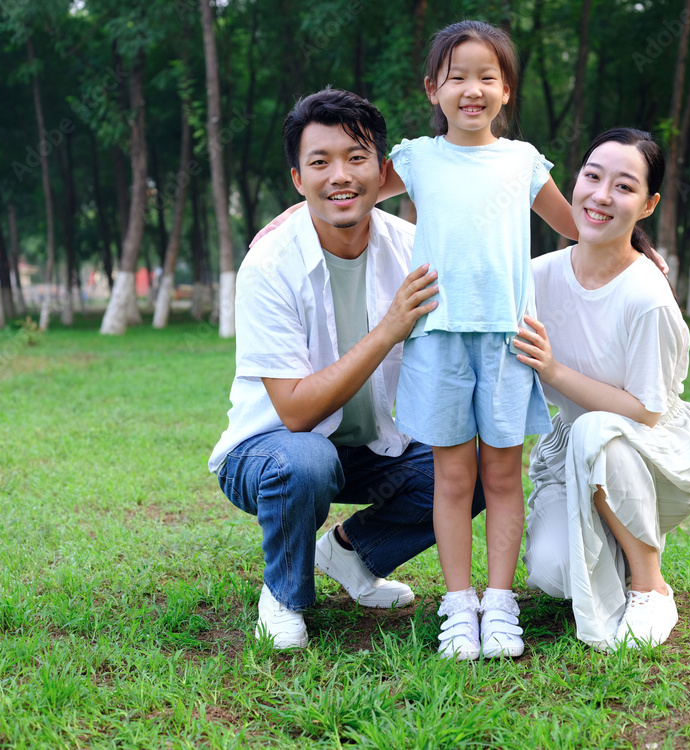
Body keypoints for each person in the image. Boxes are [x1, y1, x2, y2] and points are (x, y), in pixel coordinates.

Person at [208, 88, 485, 650]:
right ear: (296, 178)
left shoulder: (411, 249)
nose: (340, 175)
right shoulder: (269, 264)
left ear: (382, 172)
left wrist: (621, 251)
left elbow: (490, 275)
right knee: (306, 460)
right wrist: (388, 329)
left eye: (356, 159)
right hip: (273, 449)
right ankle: (282, 595)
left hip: (376, 448)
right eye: (320, 162)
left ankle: (352, 555)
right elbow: (296, 410)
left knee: (474, 462)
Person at [379, 20, 579, 660]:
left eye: (486, 77)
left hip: (507, 343)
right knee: (452, 478)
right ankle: (458, 605)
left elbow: (578, 225)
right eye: (457, 77)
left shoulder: (523, 161)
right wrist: (287, 215)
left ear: (506, 90)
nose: (472, 89)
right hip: (437, 338)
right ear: (432, 88)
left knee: (502, 475)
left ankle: (500, 604)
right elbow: (345, 196)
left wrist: (639, 246)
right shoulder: (414, 158)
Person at [514, 128, 690, 651]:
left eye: (624, 187)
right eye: (592, 176)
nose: (602, 195)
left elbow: (645, 413)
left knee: (598, 429)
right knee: (554, 575)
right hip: (576, 450)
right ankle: (612, 524)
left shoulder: (646, 295)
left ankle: (649, 584)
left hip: (650, 454)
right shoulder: (537, 278)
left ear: (648, 204)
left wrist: (556, 373)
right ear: (575, 183)